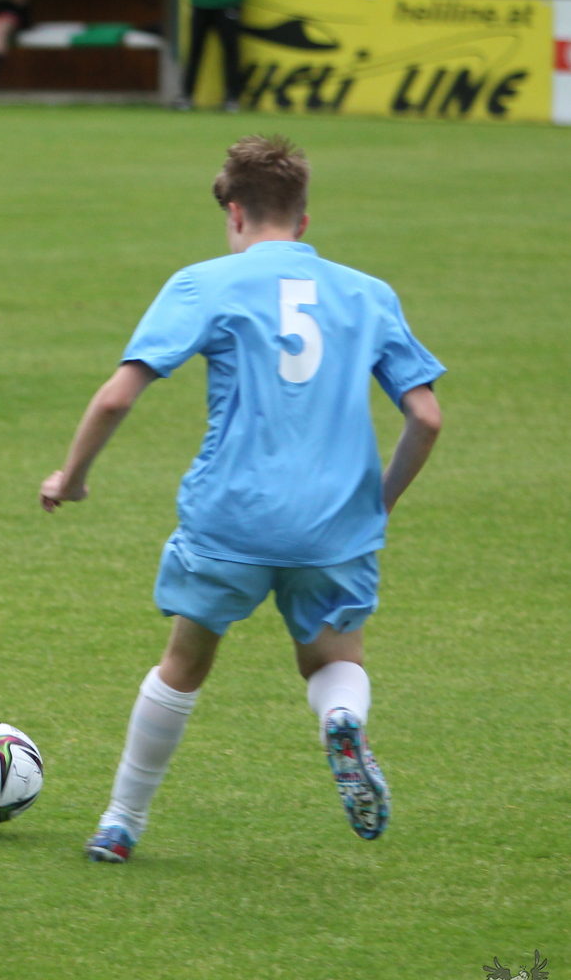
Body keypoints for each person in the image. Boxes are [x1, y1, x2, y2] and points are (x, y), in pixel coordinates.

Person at [39, 135, 444, 864]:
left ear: (233, 213)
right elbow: (427, 417)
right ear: (303, 220)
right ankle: (342, 718)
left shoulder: (204, 284)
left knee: (184, 663)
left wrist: (70, 477)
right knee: (331, 660)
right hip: (334, 526)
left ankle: (120, 823)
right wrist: (376, 505)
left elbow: (117, 396)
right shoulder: (366, 293)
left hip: (231, 516)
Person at [176, 0, 265, 111]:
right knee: (195, 50)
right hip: (199, 1)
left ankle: (232, 98)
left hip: (227, 2)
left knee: (230, 51)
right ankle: (186, 96)